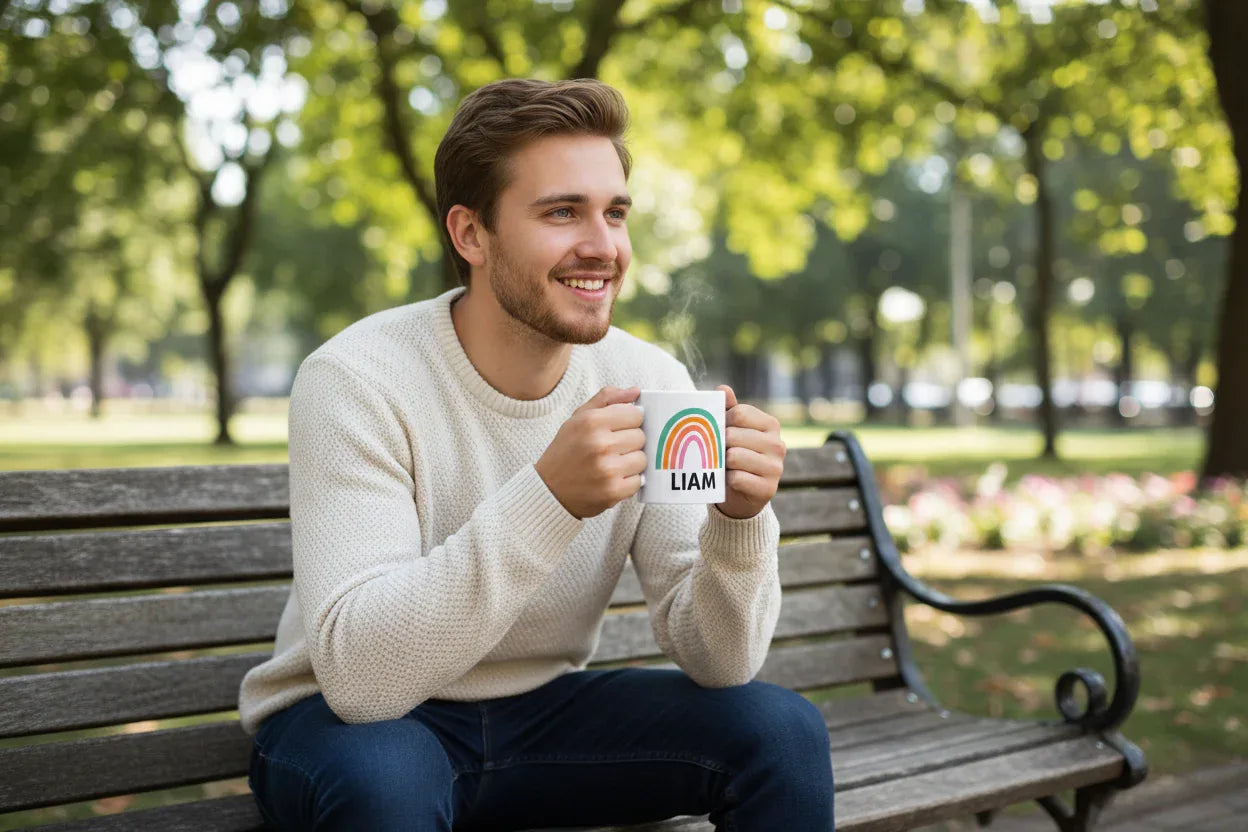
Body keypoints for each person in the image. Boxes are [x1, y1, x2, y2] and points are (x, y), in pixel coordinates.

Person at [239, 77, 834, 831]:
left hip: (543, 717)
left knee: (779, 731)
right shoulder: (357, 379)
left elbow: (721, 662)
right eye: (562, 212)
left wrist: (740, 524)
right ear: (470, 234)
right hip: (350, 728)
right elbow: (362, 681)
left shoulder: (648, 381)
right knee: (387, 781)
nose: (604, 246)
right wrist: (549, 499)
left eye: (615, 212)